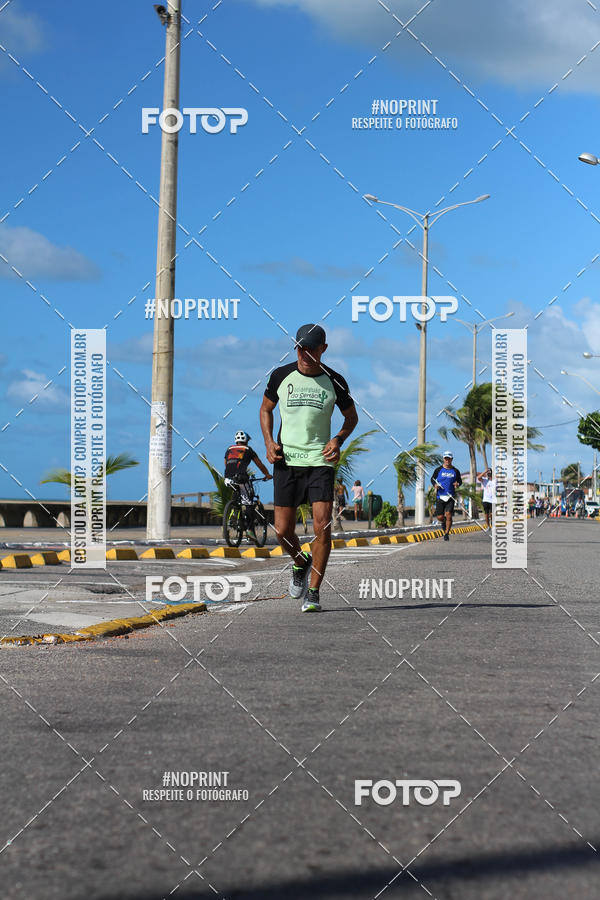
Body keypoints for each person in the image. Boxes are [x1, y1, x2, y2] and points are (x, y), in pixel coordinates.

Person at [260, 323, 358, 612]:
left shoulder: (335, 381)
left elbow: (351, 418)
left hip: (320, 462)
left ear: (323, 350)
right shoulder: (281, 376)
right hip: (286, 461)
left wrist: (338, 439)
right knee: (281, 531)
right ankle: (300, 562)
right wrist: (268, 442)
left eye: (311, 349)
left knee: (322, 526)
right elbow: (265, 409)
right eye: (300, 348)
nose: (304, 354)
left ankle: (313, 591)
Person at [223, 431, 272, 541]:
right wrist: (267, 474)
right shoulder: (248, 450)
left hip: (227, 478)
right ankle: (250, 530)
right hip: (241, 477)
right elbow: (259, 464)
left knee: (236, 494)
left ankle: (234, 514)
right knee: (249, 502)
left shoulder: (229, 449)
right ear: (246, 441)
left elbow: (226, 463)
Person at [431, 451, 462, 541]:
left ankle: (446, 533)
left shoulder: (455, 471)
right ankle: (444, 522)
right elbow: (432, 479)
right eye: (446, 458)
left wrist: (457, 484)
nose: (447, 460)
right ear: (443, 459)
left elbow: (459, 481)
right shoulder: (438, 469)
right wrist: (435, 485)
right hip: (440, 496)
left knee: (448, 515)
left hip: (450, 496)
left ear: (452, 459)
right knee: (439, 517)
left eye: (449, 458)